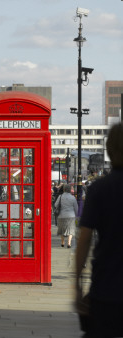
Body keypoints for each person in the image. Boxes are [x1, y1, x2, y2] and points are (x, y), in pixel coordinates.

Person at [75, 123, 123, 337]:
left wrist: (77, 285)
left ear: (110, 150)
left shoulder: (99, 189)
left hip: (106, 288)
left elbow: (84, 240)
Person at [54, 184, 78, 248]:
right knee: (70, 229)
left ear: (64, 189)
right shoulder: (73, 198)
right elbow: (76, 208)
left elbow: (56, 205)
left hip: (61, 216)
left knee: (62, 229)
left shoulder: (60, 197)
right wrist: (76, 215)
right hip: (71, 216)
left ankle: (62, 242)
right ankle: (69, 243)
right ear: (70, 190)